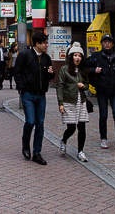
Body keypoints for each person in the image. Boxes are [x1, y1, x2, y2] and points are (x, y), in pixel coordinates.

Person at [13, 31, 54, 165]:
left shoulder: (46, 58)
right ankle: (25, 145)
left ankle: (37, 152)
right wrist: (21, 87)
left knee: (40, 123)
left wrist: (51, 74)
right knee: (30, 121)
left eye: (46, 42)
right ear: (37, 44)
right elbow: (17, 72)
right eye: (44, 43)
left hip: (41, 94)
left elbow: (49, 76)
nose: (46, 45)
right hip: (28, 94)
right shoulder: (25, 55)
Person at [85, 34, 115, 154]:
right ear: (101, 43)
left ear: (112, 44)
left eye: (109, 42)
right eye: (105, 42)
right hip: (102, 90)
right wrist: (94, 71)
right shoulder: (96, 57)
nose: (107, 44)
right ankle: (103, 138)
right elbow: (85, 67)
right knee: (103, 115)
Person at [57, 42, 90, 162]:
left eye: (80, 55)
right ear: (71, 57)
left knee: (82, 126)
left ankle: (80, 151)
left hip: (81, 101)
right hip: (68, 100)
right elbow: (59, 86)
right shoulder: (64, 69)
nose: (78, 58)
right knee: (71, 127)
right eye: (75, 55)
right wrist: (60, 103)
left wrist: (84, 86)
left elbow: (87, 84)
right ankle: (64, 140)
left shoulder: (83, 70)